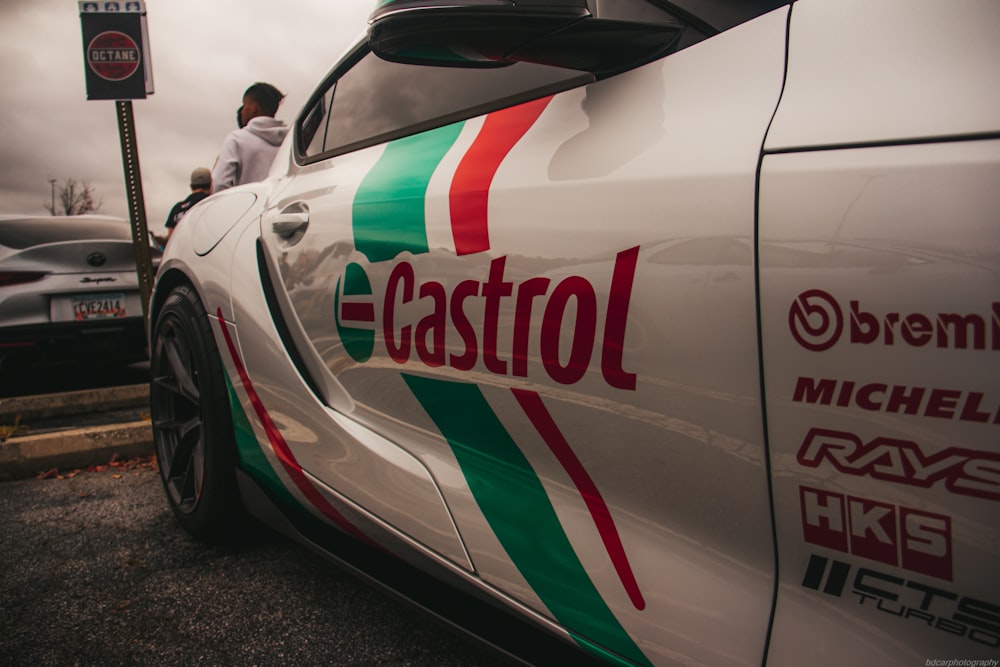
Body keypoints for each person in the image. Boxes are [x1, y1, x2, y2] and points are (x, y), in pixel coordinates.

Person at [211, 82, 288, 193]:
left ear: (253, 108)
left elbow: (219, 184)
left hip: (248, 207)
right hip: (279, 206)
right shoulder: (290, 140)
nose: (242, 111)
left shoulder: (236, 139)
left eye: (244, 105)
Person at [156, 167, 212, 247]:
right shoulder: (211, 203)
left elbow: (170, 240)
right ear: (210, 185)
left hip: (181, 255)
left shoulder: (177, 208)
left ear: (191, 186)